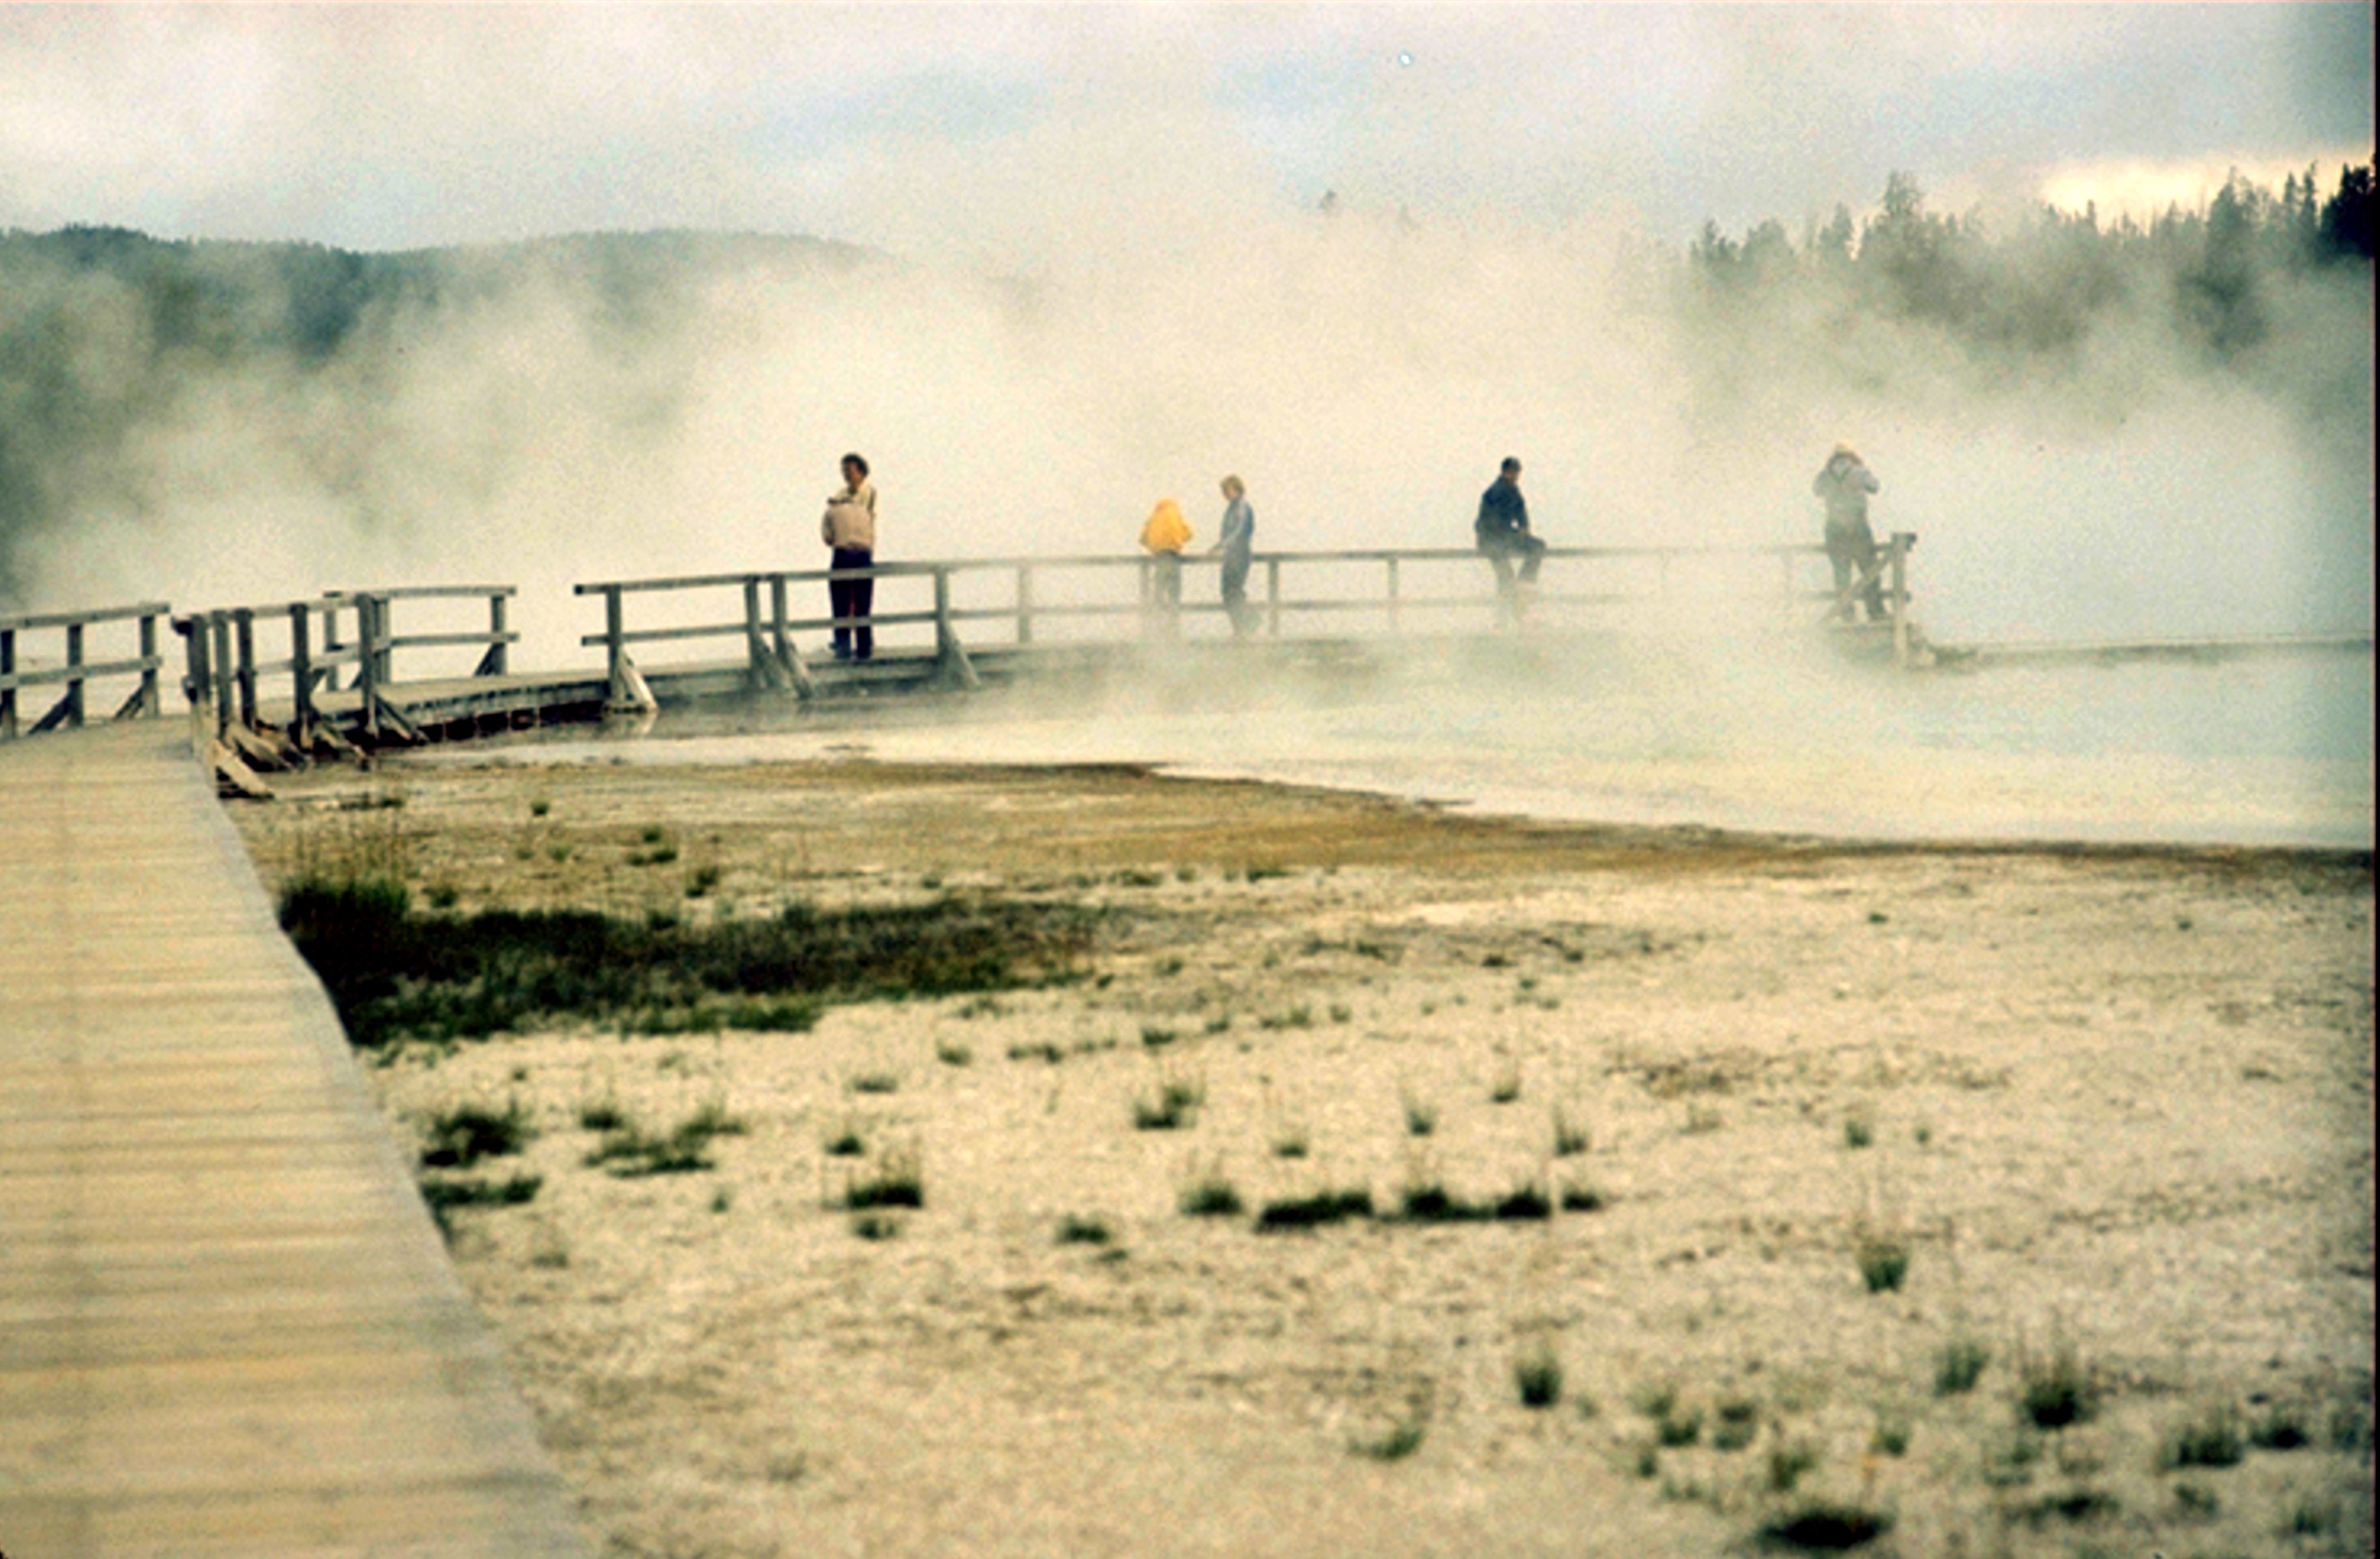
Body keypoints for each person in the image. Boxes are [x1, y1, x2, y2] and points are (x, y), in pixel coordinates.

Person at [1812, 443, 1885, 622]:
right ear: (1852, 456)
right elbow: (1875, 487)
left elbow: (1817, 491)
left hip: (1834, 528)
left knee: (1842, 573)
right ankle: (1875, 612)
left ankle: (1847, 614)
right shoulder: (1859, 472)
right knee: (1869, 570)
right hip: (1857, 526)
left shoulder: (1824, 475)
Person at [1475, 457, 1546, 622]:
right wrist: (1516, 533)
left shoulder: (1510, 489)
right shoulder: (1497, 491)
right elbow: (1491, 522)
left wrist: (1523, 527)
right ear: (1505, 472)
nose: (1515, 475)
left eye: (1516, 472)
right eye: (1512, 472)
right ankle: (1510, 613)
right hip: (1493, 541)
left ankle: (1510, 612)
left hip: (1498, 540)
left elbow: (1520, 509)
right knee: (1507, 576)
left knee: (1507, 578)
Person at [821, 452, 878, 661]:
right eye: (844, 471)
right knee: (860, 601)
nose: (846, 475)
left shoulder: (868, 494)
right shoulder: (845, 496)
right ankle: (863, 647)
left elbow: (827, 537)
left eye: (849, 470)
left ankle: (844, 644)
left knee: (842, 600)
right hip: (863, 552)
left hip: (846, 553)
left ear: (861, 472)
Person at [1211, 476, 1256, 636]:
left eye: (1228, 489)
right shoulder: (1232, 508)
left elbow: (1240, 530)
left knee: (1234, 591)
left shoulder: (1242, 506)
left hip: (1240, 553)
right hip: (1231, 554)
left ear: (1237, 488)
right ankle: (1242, 626)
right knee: (1227, 591)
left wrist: (1223, 545)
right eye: (1224, 490)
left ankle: (1247, 623)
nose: (1226, 493)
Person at [1140, 497, 1192, 635]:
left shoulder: (1154, 517)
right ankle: (1173, 627)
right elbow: (1188, 534)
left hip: (1160, 558)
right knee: (1174, 593)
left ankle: (1157, 626)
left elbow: (1142, 538)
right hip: (1173, 557)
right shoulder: (1175, 515)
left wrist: (1154, 544)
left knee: (1159, 593)